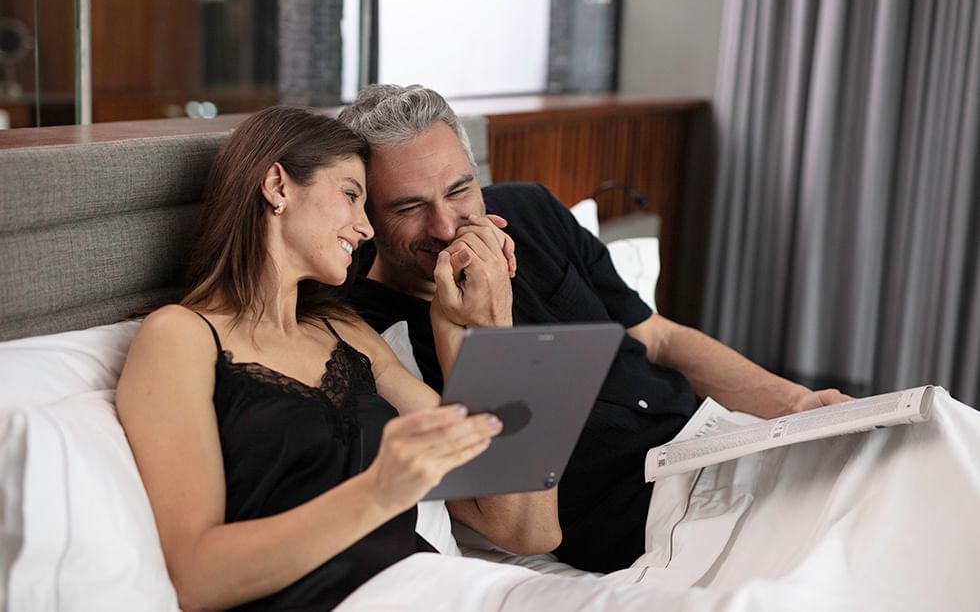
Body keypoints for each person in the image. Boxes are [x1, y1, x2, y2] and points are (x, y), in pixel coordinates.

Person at [338, 84, 851, 573]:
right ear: (366, 216)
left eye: (460, 191)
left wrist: (797, 405)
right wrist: (485, 328)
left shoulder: (529, 211)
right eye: (409, 208)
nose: (447, 227)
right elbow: (520, 528)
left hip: (722, 441)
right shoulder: (360, 332)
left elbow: (659, 337)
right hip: (652, 515)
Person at [115, 106, 559, 611]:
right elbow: (197, 578)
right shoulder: (178, 336)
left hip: (434, 588)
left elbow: (530, 524)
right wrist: (380, 491)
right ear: (278, 186)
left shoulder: (345, 329)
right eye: (351, 195)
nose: (366, 228)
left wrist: (477, 327)